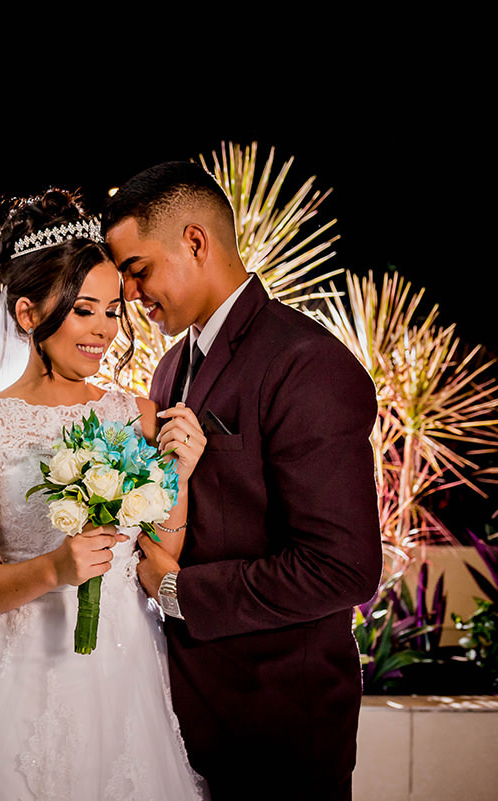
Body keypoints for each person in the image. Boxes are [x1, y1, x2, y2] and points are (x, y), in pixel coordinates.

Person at [0, 188, 209, 801]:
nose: (105, 331)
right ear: (29, 315)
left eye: (114, 310)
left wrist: (179, 478)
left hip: (126, 670)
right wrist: (55, 568)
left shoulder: (137, 415)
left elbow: (166, 546)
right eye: (85, 310)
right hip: (18, 677)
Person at [103, 161, 383, 801]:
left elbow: (342, 569)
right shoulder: (171, 366)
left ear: (195, 241)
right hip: (178, 727)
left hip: (278, 729)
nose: (133, 295)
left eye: (139, 270)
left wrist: (176, 591)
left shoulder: (306, 363)